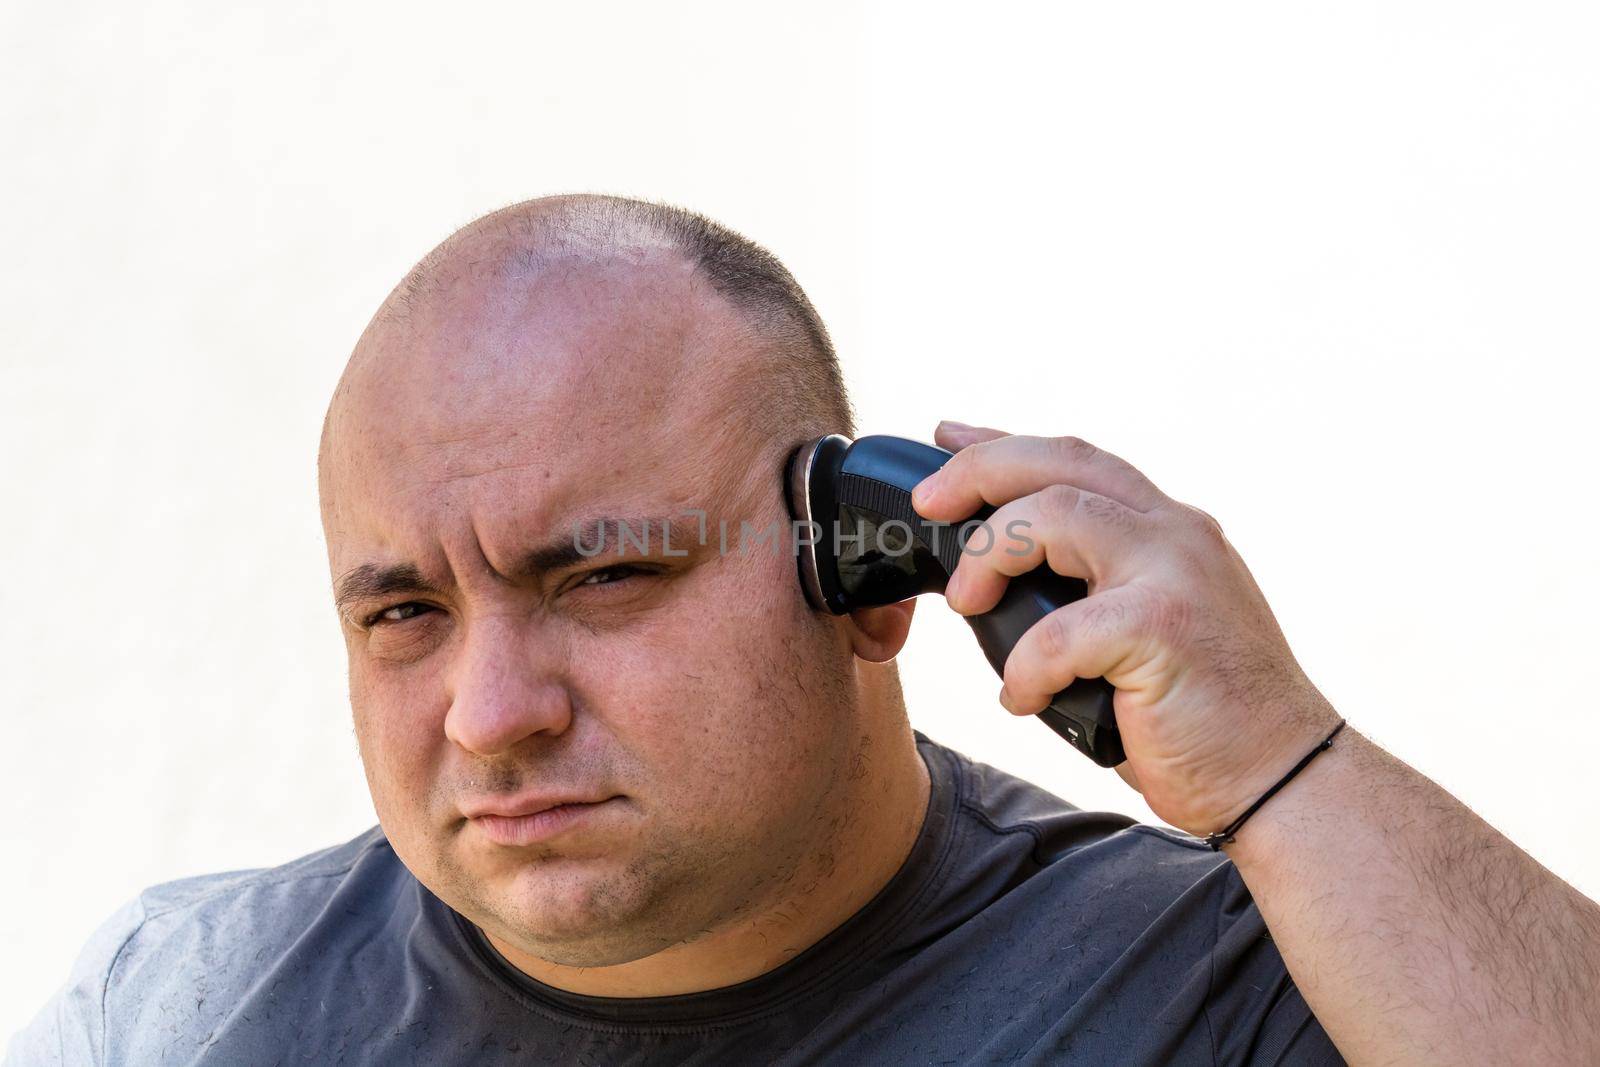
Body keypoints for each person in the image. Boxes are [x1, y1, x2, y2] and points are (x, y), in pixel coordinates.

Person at [8, 195, 1598, 1066]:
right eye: (406, 612)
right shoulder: (176, 1008)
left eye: (606, 578)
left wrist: (1287, 766)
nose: (489, 711)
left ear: (872, 577)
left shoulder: (1220, 993)